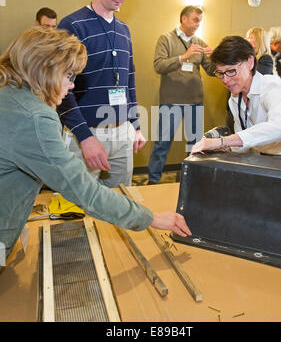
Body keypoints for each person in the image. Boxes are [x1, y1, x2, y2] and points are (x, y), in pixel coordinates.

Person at [0, 26, 191, 265]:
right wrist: (150, 217)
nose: (71, 86)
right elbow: (85, 192)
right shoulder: (36, 117)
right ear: (44, 70)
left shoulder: (9, 94)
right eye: (68, 76)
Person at [57, 0, 146, 188]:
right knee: (81, 209)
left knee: (120, 206)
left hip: (122, 133)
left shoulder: (124, 30)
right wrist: (85, 137)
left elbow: (129, 82)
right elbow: (60, 89)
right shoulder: (72, 25)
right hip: (86, 134)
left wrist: (135, 126)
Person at [191, 35, 281, 159]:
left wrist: (221, 141)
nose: (225, 80)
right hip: (265, 161)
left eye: (231, 71)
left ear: (250, 62)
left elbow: (280, 127)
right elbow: (245, 143)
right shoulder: (234, 99)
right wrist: (225, 148)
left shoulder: (272, 86)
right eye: (220, 73)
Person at [147, 5, 214, 184]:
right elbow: (159, 66)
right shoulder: (166, 39)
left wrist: (215, 57)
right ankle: (153, 181)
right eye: (195, 20)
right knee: (162, 144)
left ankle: (189, 181)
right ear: (184, 19)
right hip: (172, 101)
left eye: (200, 21)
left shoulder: (200, 42)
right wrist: (183, 57)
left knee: (194, 146)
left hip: (195, 101)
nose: (198, 24)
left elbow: (211, 70)